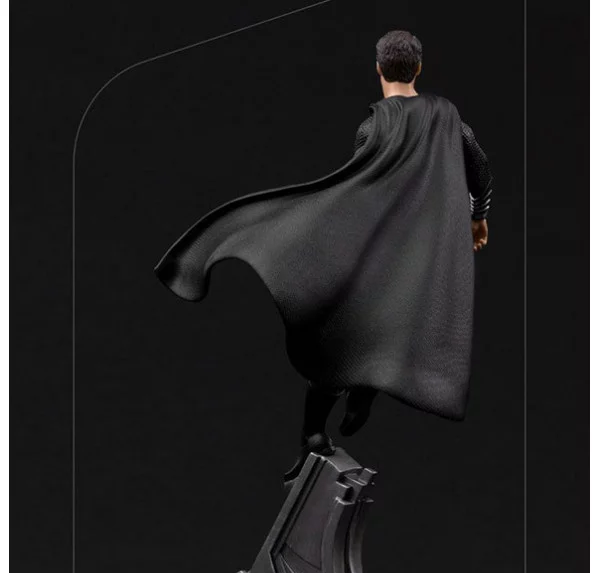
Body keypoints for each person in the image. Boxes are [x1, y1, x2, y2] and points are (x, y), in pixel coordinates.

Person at [155, 30, 493, 481]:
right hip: (416, 261)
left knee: (342, 343)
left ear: (378, 69)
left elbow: (356, 194)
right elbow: (480, 170)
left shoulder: (373, 129)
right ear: (418, 69)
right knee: (373, 334)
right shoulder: (449, 118)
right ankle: (353, 400)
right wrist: (478, 216)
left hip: (381, 257)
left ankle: (319, 427)